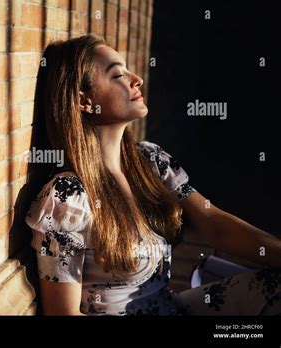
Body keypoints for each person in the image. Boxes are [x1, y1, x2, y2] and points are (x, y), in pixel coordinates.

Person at [24, 34, 281, 316]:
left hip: (172, 308)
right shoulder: (67, 196)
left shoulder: (149, 160)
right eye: (118, 74)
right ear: (85, 100)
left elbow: (213, 223)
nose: (137, 79)